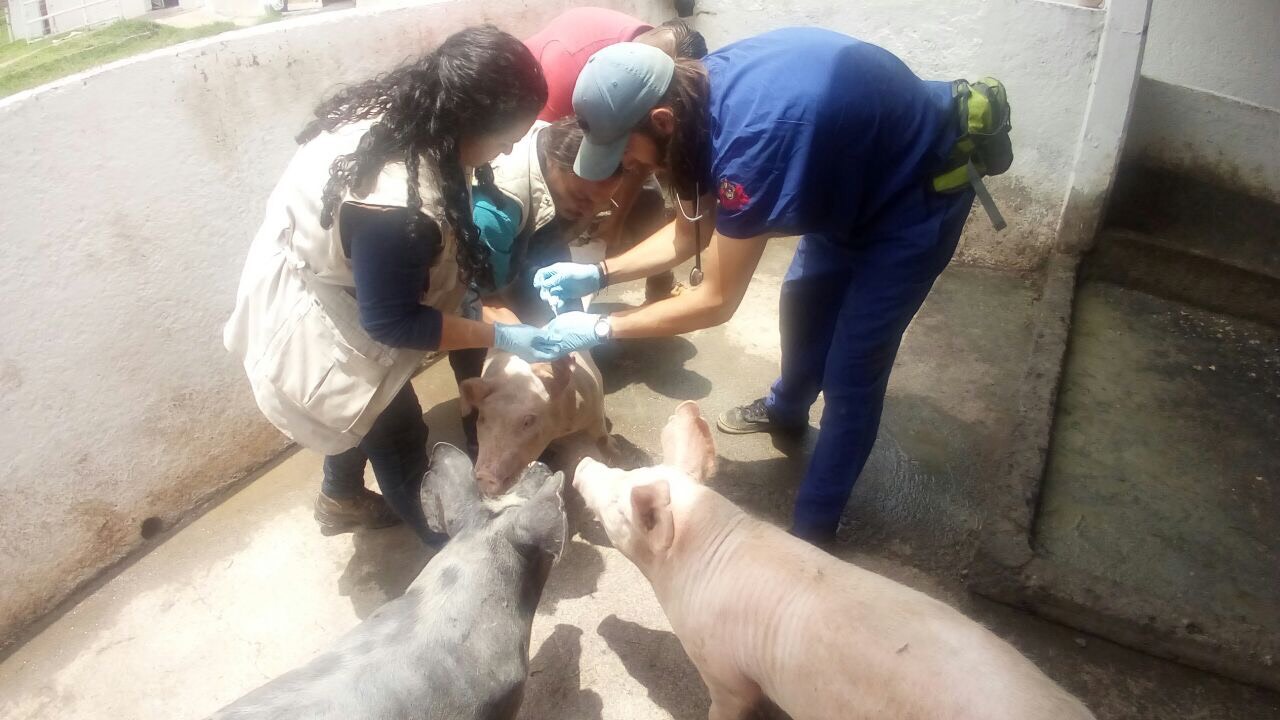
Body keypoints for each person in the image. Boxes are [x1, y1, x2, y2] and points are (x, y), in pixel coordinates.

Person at [529, 29, 983, 545]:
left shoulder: (750, 144)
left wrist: (599, 325)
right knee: (803, 305)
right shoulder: (691, 96)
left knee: (852, 372)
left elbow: (716, 299)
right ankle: (786, 407)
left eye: (628, 156)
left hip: (912, 198)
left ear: (659, 121)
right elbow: (692, 228)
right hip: (848, 187)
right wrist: (601, 274)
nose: (630, 169)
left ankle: (812, 533)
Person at [223, 26, 548, 546]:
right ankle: (459, 557)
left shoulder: (419, 109)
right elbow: (392, 322)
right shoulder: (397, 209)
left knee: (351, 407)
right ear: (466, 121)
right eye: (505, 139)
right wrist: (502, 337)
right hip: (332, 308)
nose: (508, 153)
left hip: (344, 277)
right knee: (397, 436)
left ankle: (339, 497)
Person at [448, 118, 670, 455]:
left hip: (524, 241)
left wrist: (567, 312)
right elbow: (480, 299)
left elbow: (550, 253)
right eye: (581, 197)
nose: (587, 210)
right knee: (482, 368)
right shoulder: (493, 216)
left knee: (542, 316)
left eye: (599, 204)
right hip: (472, 281)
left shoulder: (561, 146)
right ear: (552, 164)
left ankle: (538, 425)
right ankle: (484, 443)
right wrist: (523, 338)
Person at [523, 6, 708, 302]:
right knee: (556, 216)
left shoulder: (658, 74)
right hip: (549, 135)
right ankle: (537, 296)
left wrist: (612, 228)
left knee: (650, 202)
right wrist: (581, 220)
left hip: (624, 128)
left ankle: (660, 286)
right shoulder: (568, 70)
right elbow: (541, 166)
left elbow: (643, 166)